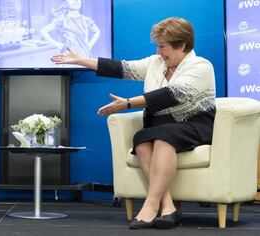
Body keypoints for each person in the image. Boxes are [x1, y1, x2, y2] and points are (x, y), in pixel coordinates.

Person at [51, 17, 216, 229]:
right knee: (141, 139)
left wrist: (128, 103)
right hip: (161, 125)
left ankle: (150, 205)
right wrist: (81, 60)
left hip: (194, 125)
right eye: (157, 46)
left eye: (162, 46)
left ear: (182, 45)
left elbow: (170, 94)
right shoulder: (156, 64)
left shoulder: (201, 66)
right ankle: (169, 207)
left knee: (164, 138)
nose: (158, 52)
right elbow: (121, 68)